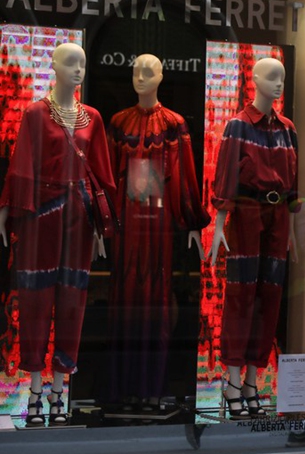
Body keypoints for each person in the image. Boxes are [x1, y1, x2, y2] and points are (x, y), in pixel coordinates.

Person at [0, 42, 116, 426]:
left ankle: (58, 389)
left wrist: (100, 225)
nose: (78, 70)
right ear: (53, 65)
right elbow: (21, 165)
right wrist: (10, 212)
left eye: (83, 63)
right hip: (41, 218)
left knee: (71, 303)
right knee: (35, 303)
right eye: (70, 62)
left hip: (79, 219)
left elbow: (100, 173)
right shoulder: (35, 113)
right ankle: (34, 387)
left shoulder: (93, 118)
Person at [105, 54, 210, 412]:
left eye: (148, 71)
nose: (140, 77)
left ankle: (152, 391)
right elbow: (106, 178)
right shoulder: (119, 122)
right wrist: (101, 224)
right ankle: (121, 391)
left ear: (162, 76)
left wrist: (193, 221)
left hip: (159, 231)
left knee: (156, 304)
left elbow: (185, 175)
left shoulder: (174, 124)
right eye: (135, 71)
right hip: (125, 227)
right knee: (124, 304)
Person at [208, 57, 300, 419]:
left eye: (282, 78)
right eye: (272, 77)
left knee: (269, 300)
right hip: (246, 214)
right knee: (241, 298)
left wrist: (291, 228)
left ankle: (251, 382)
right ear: (255, 79)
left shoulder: (288, 129)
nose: (278, 84)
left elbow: (293, 180)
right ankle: (231, 381)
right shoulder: (237, 126)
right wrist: (219, 224)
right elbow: (226, 175)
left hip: (278, 218)